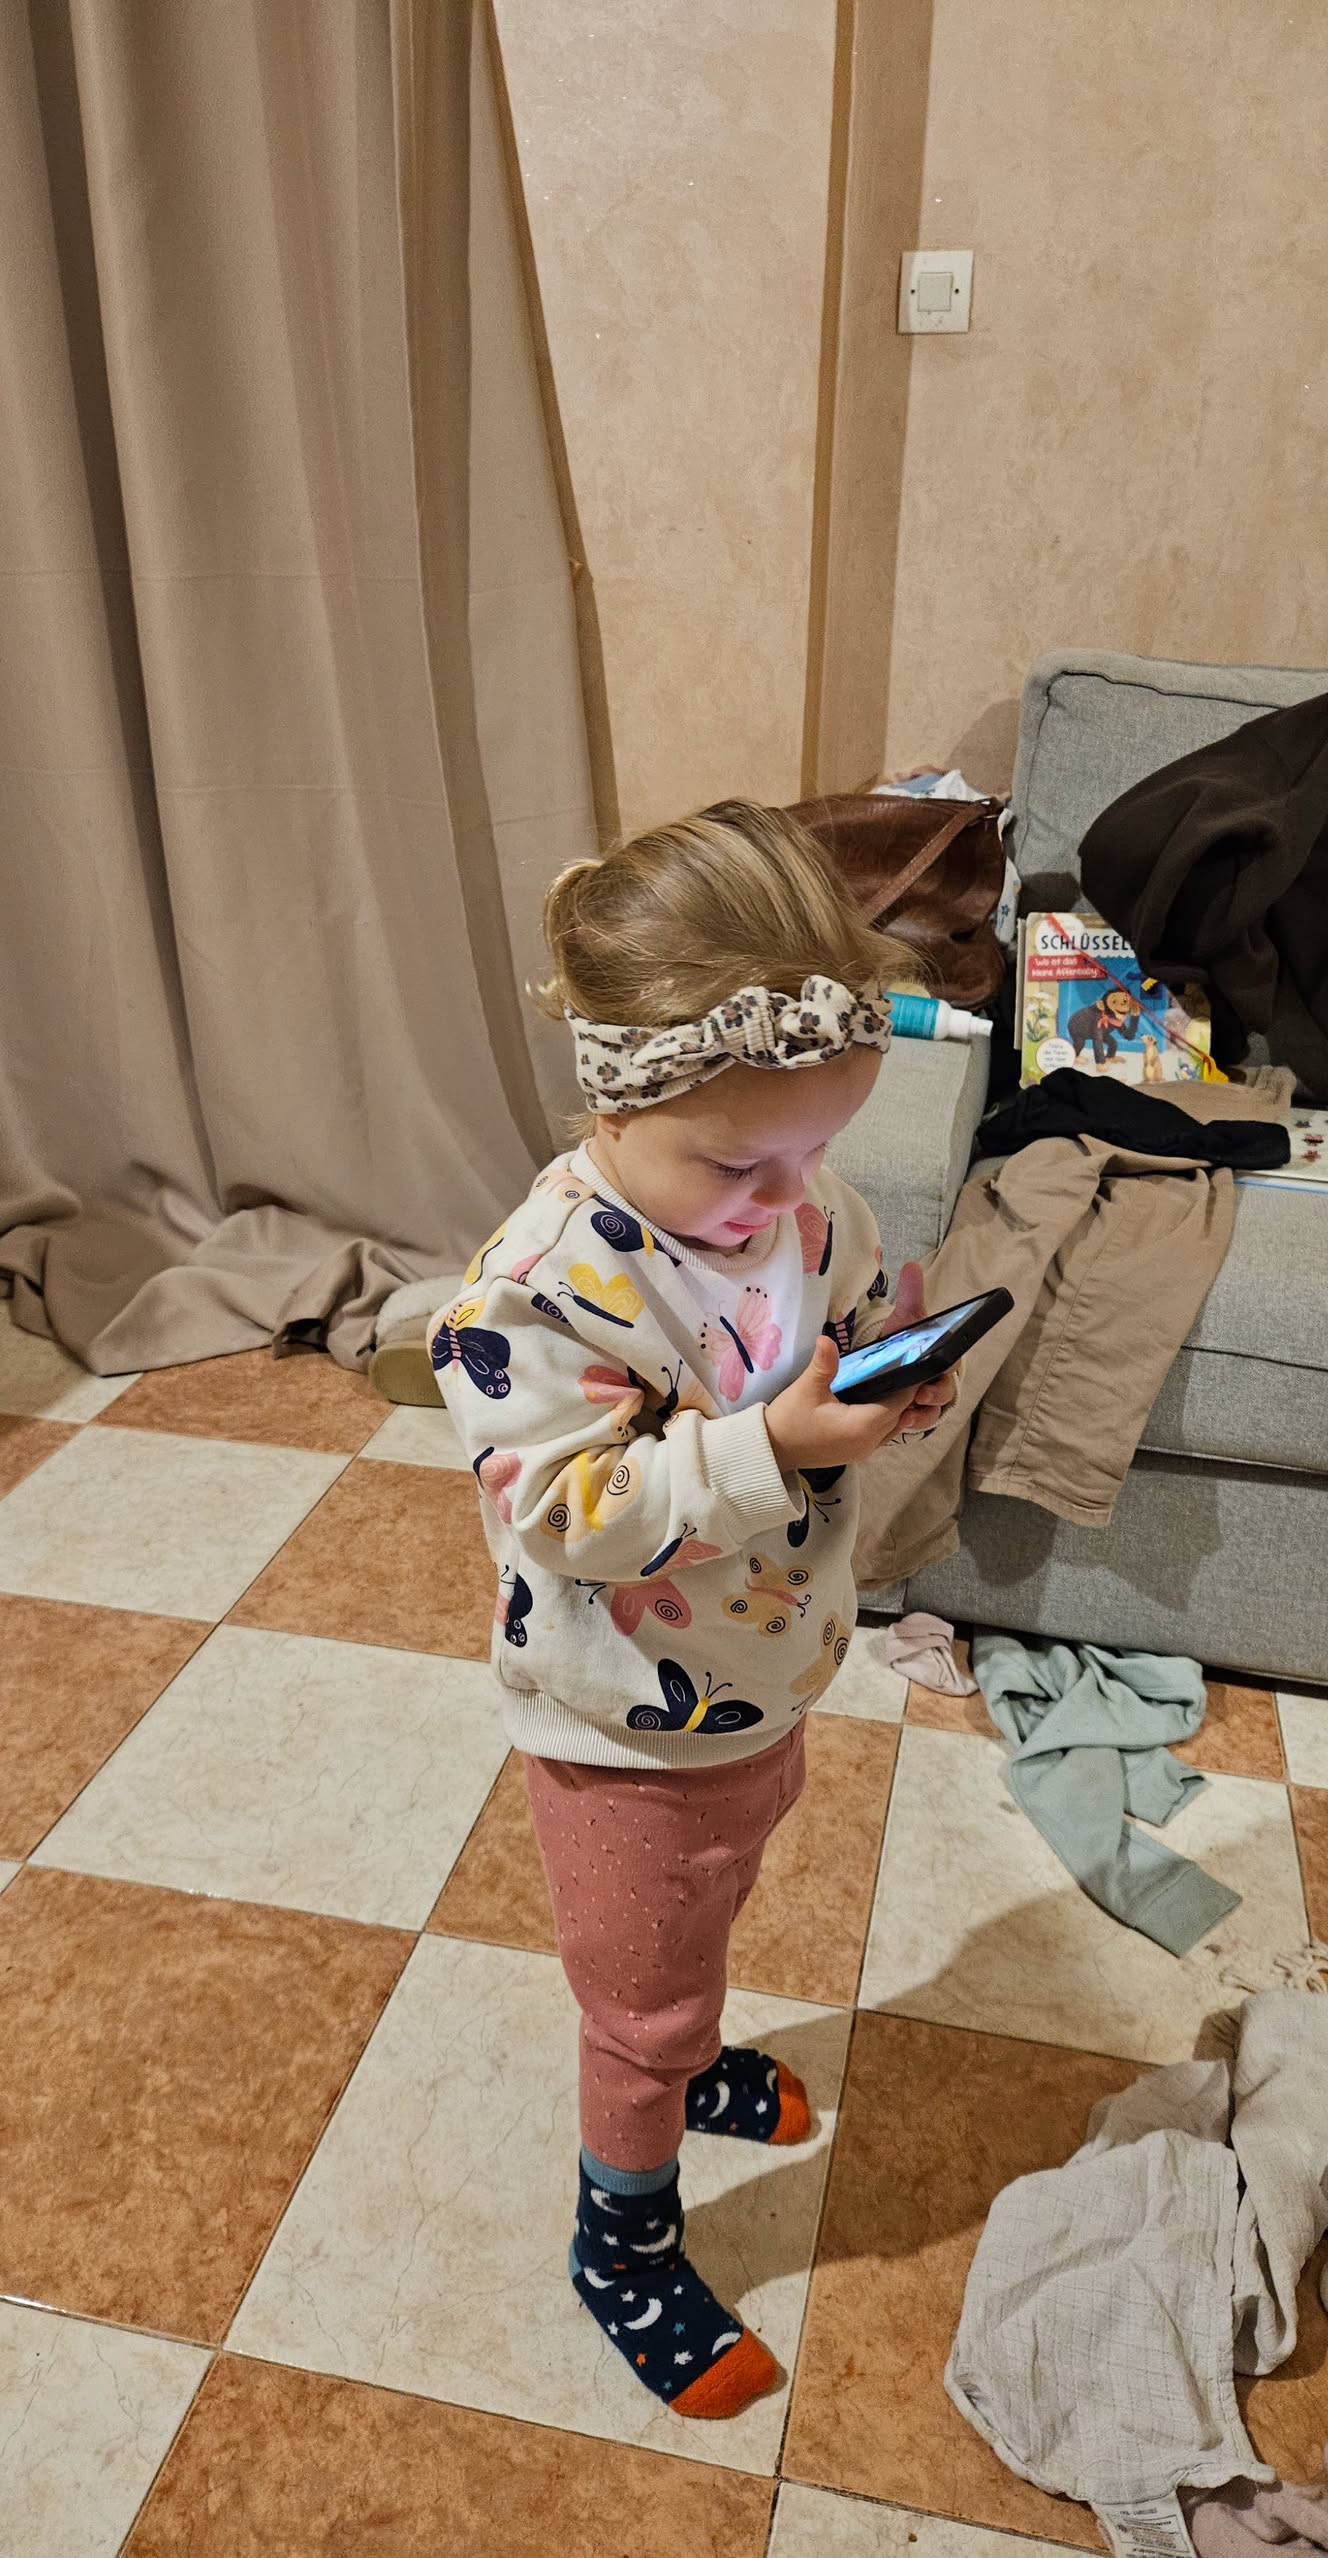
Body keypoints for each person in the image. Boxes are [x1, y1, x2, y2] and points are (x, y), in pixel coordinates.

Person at [430, 801, 956, 2421]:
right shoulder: (536, 1290)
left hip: (765, 1673)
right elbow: (567, 1509)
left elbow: (838, 1295)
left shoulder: (800, 1203)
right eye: (739, 1164)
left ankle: (691, 2040)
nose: (784, 1197)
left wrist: (887, 1367)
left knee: (715, 1900)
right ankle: (624, 2237)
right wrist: (773, 1443)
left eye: (818, 1148)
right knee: (639, 1989)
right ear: (617, 1094)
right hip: (623, 1732)